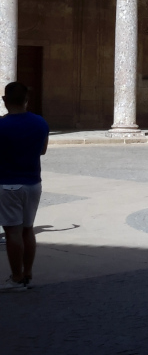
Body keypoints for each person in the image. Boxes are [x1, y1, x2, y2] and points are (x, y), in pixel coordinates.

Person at [0, 82, 49, 292]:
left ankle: (17, 277)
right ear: (26, 100)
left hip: (8, 183)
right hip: (33, 183)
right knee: (28, 229)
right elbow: (43, 151)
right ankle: (27, 272)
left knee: (12, 232)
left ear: (4, 101)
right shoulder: (40, 123)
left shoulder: (1, 125)